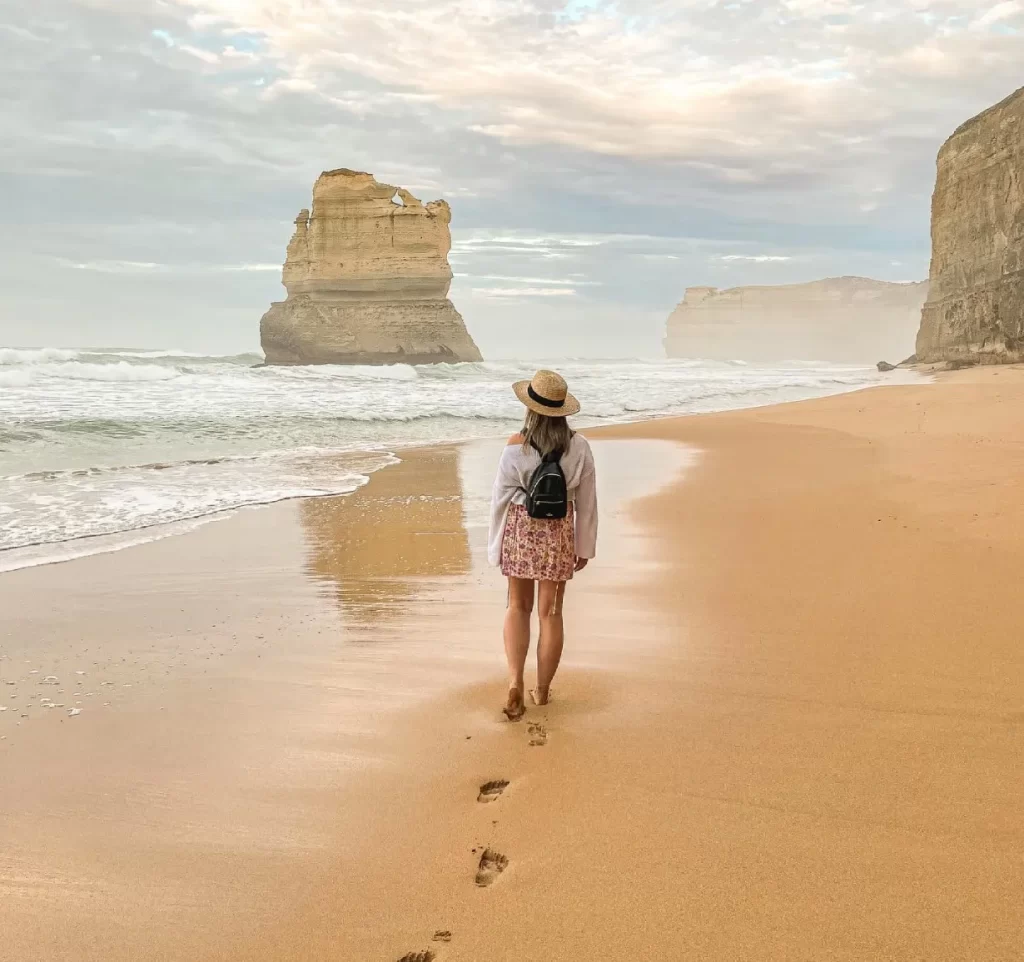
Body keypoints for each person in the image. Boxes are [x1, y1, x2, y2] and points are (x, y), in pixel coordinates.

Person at [487, 369, 598, 720]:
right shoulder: (579, 447)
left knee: (517, 606)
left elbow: (500, 500)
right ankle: (543, 691)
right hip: (559, 530)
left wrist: (495, 546)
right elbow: (587, 502)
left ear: (530, 408)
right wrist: (584, 547)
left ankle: (515, 683)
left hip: (521, 528)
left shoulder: (515, 446)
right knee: (551, 612)